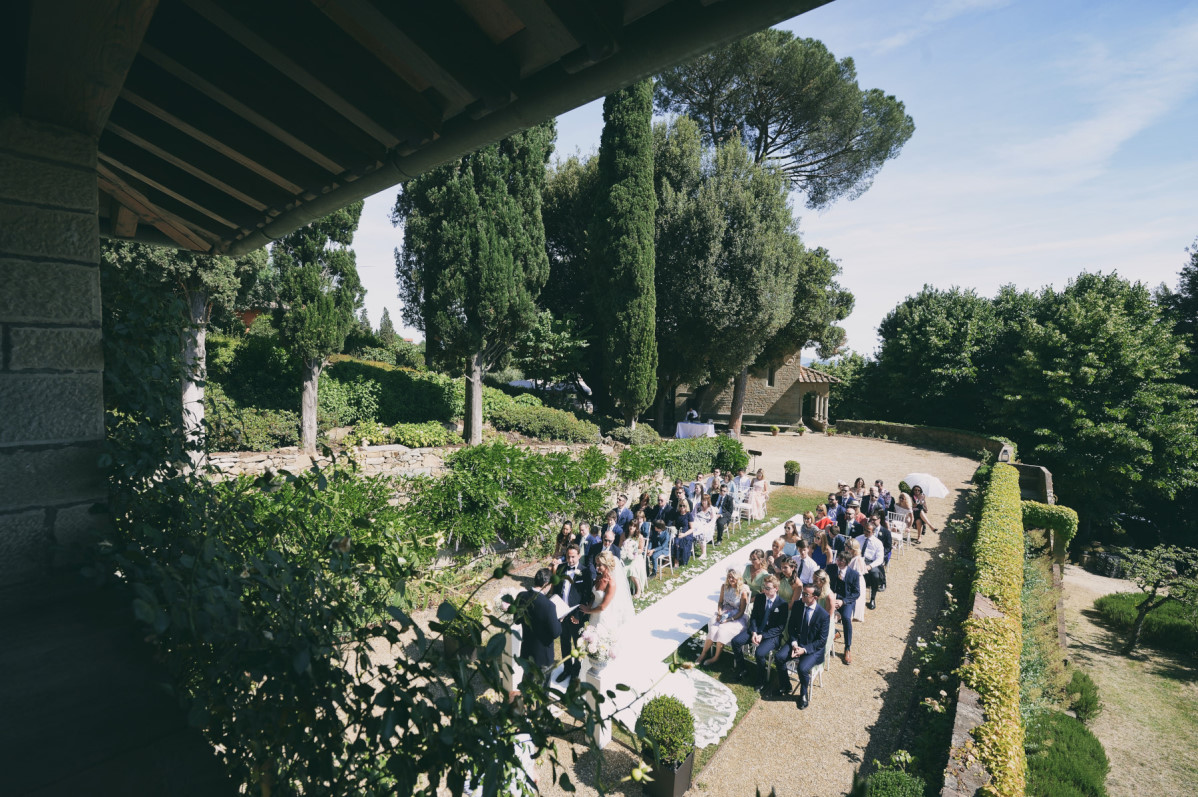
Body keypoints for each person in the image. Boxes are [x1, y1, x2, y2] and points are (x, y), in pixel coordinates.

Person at [774, 584, 830, 709]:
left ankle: (803, 694)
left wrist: (804, 650)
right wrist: (794, 644)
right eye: (802, 593)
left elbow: (821, 641)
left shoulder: (823, 615)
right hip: (797, 642)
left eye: (806, 594)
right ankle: (785, 685)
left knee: (802, 668)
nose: (802, 596)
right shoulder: (798, 605)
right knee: (779, 657)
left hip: (813, 648)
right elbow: (791, 627)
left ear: (815, 597)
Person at [731, 575, 789, 691]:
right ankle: (743, 669)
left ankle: (761, 680)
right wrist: (754, 632)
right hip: (756, 630)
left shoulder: (782, 604)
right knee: (736, 642)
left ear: (776, 589)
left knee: (760, 653)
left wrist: (762, 636)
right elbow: (753, 617)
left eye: (768, 588)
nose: (764, 590)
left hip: (772, 636)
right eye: (764, 587)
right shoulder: (759, 598)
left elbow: (779, 628)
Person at [695, 569, 749, 667]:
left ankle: (716, 657)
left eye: (733, 577)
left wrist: (729, 620)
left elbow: (741, 612)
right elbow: (720, 602)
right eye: (729, 577)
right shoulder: (724, 587)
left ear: (738, 578)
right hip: (724, 612)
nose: (730, 579)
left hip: (736, 617)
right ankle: (703, 654)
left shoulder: (742, 592)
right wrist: (720, 612)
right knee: (713, 629)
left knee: (722, 630)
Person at [514, 568, 562, 676]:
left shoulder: (521, 596)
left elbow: (516, 620)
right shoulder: (549, 606)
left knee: (527, 682)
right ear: (546, 584)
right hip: (543, 656)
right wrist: (559, 620)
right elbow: (556, 633)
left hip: (527, 651)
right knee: (542, 685)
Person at [554, 546, 591, 682]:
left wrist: (578, 615)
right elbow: (557, 590)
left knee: (578, 644)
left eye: (573, 557)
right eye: (568, 556)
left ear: (579, 556)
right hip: (562, 613)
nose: (570, 560)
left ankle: (576, 671)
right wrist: (557, 611)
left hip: (576, 615)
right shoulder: (561, 568)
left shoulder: (585, 571)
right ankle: (567, 669)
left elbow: (586, 595)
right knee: (564, 642)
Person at [579, 551, 635, 637]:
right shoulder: (598, 578)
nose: (597, 567)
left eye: (599, 565)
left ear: (607, 565)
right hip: (594, 613)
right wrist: (589, 606)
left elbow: (603, 607)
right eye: (596, 564)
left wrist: (588, 611)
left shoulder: (611, 583)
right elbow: (594, 596)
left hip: (603, 615)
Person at [826, 550, 861, 664]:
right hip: (831, 597)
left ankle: (847, 648)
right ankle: (833, 632)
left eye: (843, 561)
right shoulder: (830, 568)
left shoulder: (854, 574)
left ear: (848, 562)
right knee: (823, 614)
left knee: (846, 618)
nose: (839, 562)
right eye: (838, 559)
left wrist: (843, 601)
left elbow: (856, 593)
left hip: (846, 601)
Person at [854, 520, 886, 611]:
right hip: (859, 560)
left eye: (868, 531)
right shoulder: (858, 538)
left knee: (875, 575)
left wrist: (870, 566)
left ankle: (872, 598)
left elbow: (880, 559)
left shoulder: (878, 543)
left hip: (871, 562)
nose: (865, 532)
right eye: (864, 530)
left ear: (873, 532)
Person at [621, 522, 648, 594]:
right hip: (625, 556)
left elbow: (641, 550)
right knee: (621, 567)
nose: (631, 527)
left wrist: (632, 551)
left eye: (634, 526)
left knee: (632, 569)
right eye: (630, 525)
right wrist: (625, 551)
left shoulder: (639, 536)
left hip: (636, 556)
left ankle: (638, 589)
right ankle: (623, 587)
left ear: (636, 527)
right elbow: (619, 546)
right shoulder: (624, 534)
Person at [693, 494, 717, 560]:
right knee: (691, 530)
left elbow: (713, 520)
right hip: (697, 523)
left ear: (708, 501)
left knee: (702, 533)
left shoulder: (711, 509)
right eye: (702, 500)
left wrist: (706, 525)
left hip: (707, 525)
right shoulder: (697, 506)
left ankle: (704, 553)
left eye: (705, 501)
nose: (703, 502)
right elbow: (693, 515)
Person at [673, 499, 696, 566]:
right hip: (678, 532)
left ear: (686, 506)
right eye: (680, 505)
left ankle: (681, 559)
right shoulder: (677, 514)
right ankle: (676, 560)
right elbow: (674, 525)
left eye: (684, 506)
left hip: (687, 533)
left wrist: (684, 534)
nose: (682, 507)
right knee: (675, 541)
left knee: (681, 542)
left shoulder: (689, 515)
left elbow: (692, 529)